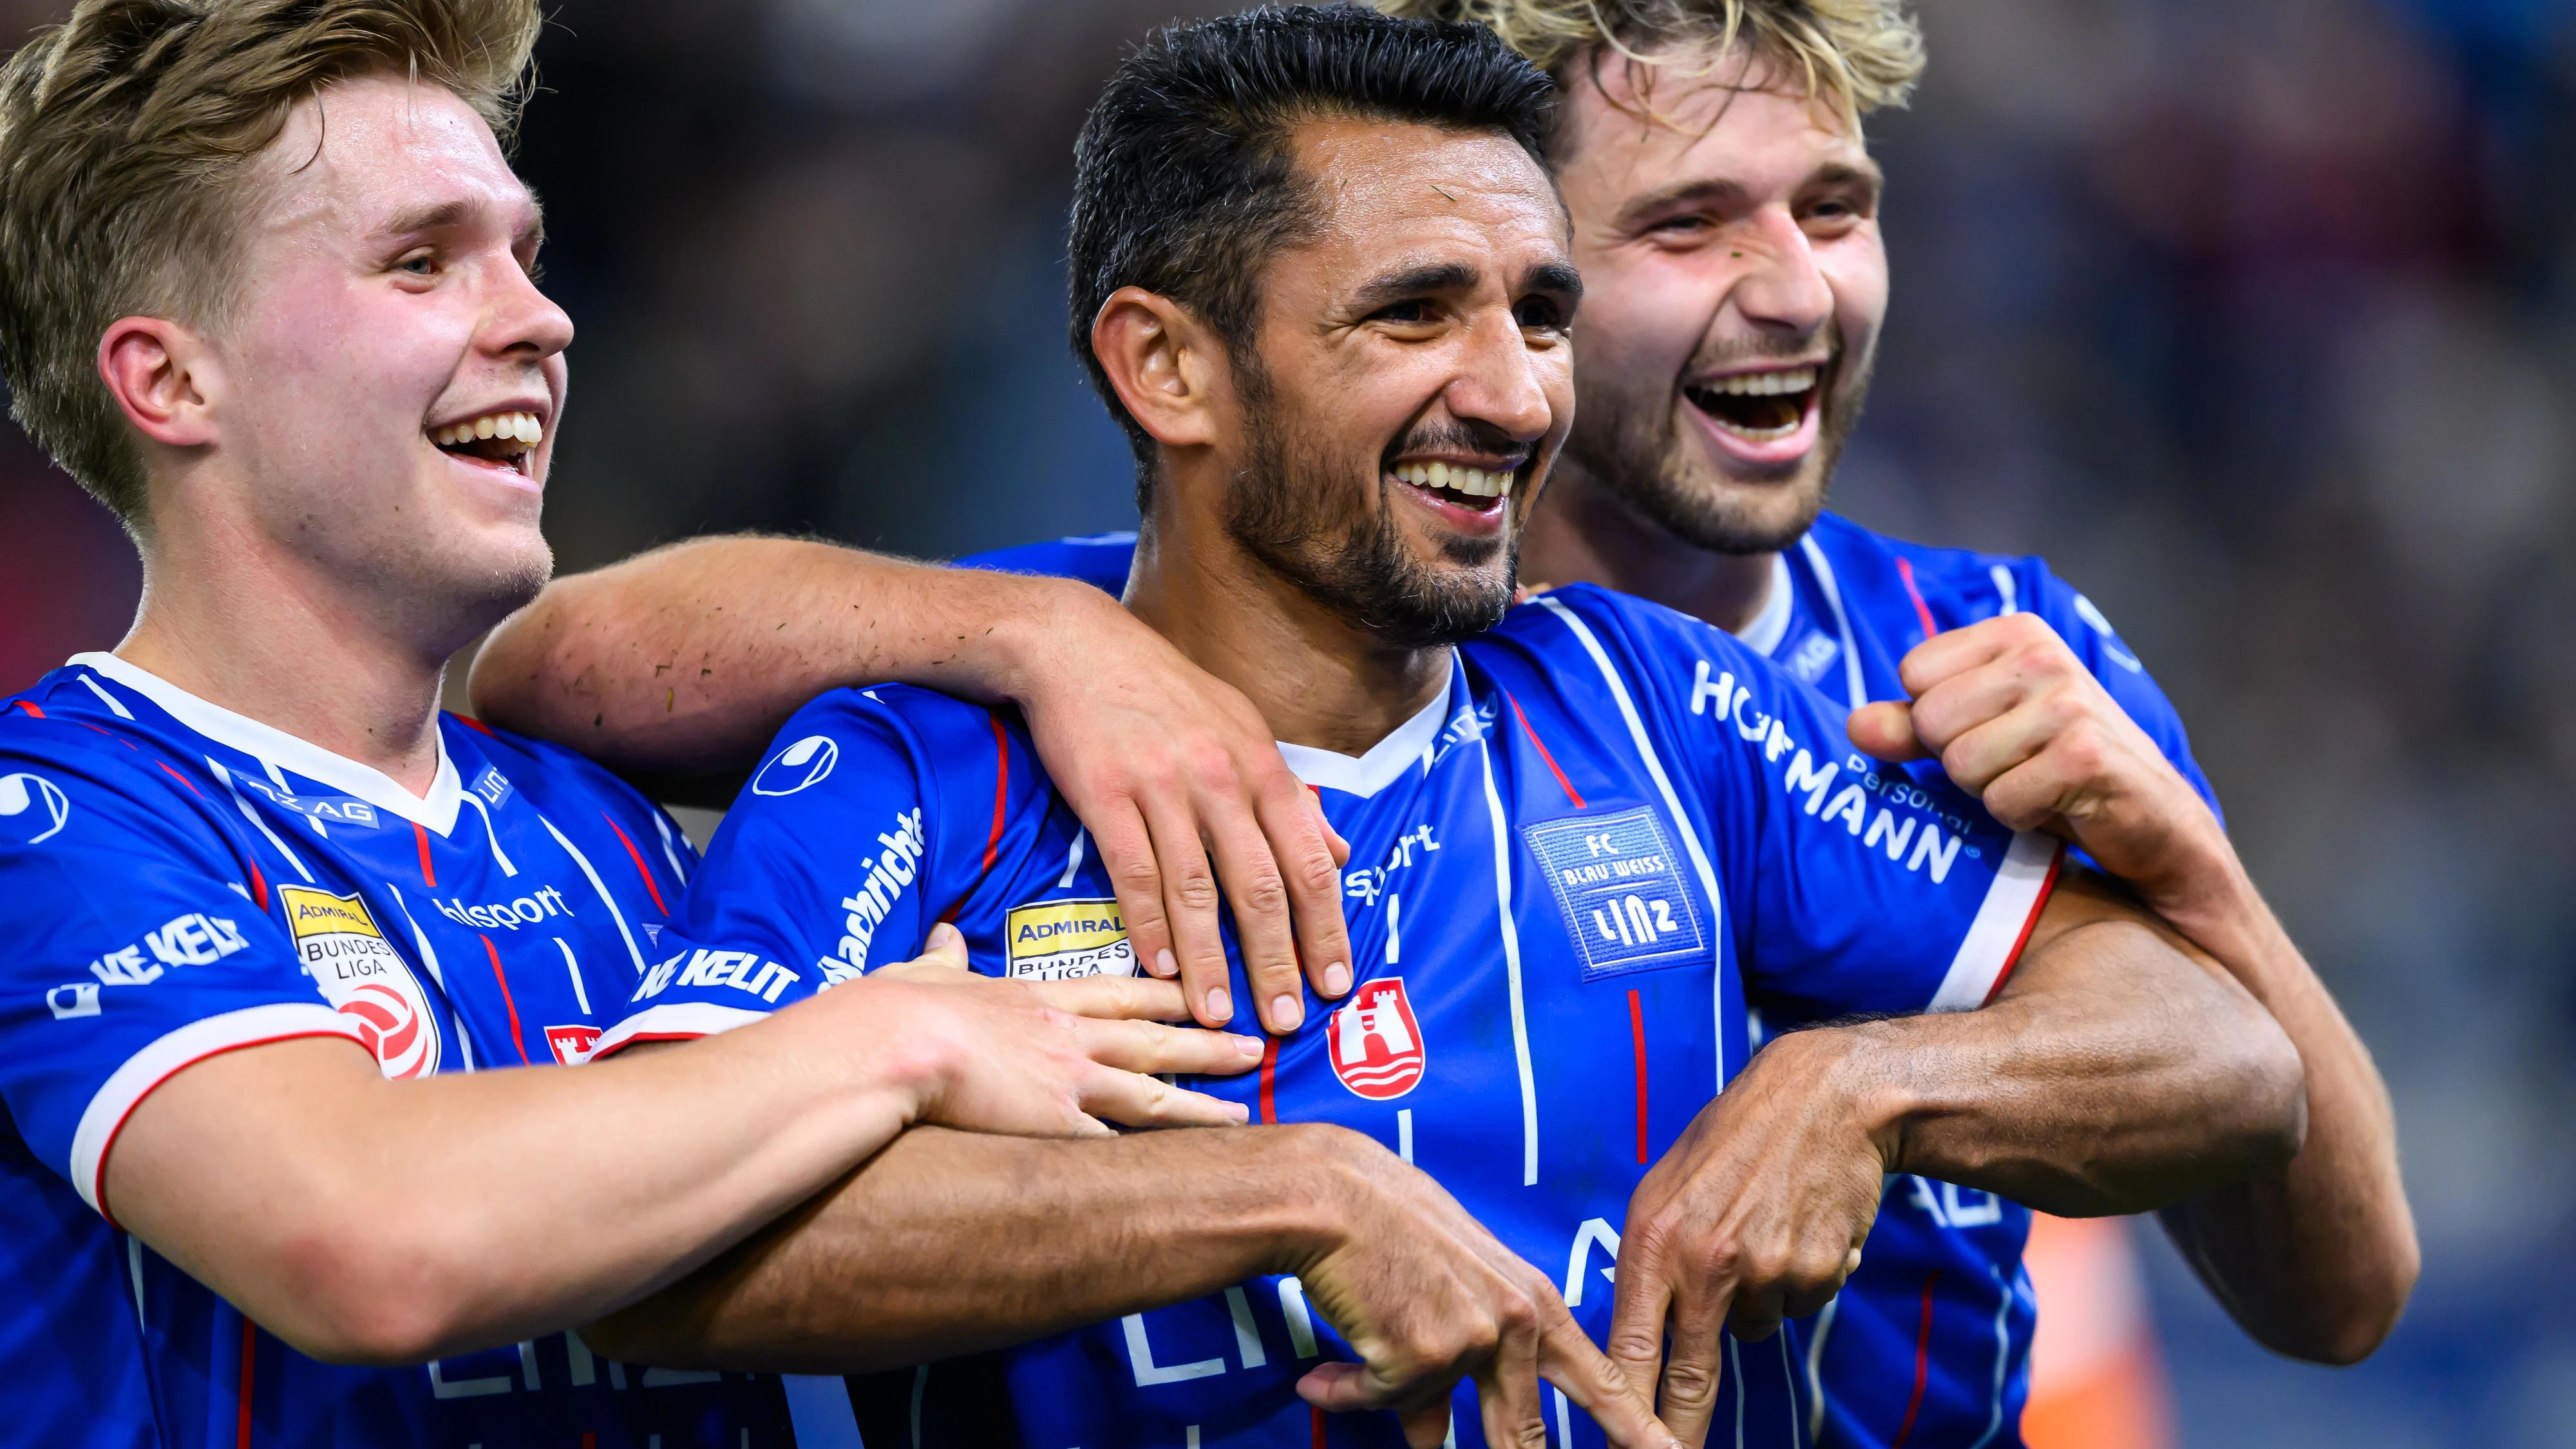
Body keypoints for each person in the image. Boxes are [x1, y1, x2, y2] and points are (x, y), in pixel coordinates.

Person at [531, 10, 2304, 1447]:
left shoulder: (1652, 702)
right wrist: (1288, 1199)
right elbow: (647, 1243)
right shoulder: (924, 759)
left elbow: (2225, 1053)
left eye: (1539, 311)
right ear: (1169, 368)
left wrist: (1868, 1083)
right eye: (1413, 313)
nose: (1518, 393)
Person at [976, 1, 2419, 1444]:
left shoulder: (1992, 657)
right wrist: (1013, 629)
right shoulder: (1222, 642)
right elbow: (746, 635)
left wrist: (2177, 885)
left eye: (1835, 210)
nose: (1797, 292)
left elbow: (2336, 1298)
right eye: (1687, 226)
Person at [0, 3, 1376, 1444]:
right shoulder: (61, 822)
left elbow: (616, 643)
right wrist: (892, 1043)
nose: (539, 317)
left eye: (525, 255)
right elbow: (371, 1247)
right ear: (170, 380)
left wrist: (1045, 632)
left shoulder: (602, 828)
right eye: (418, 264)